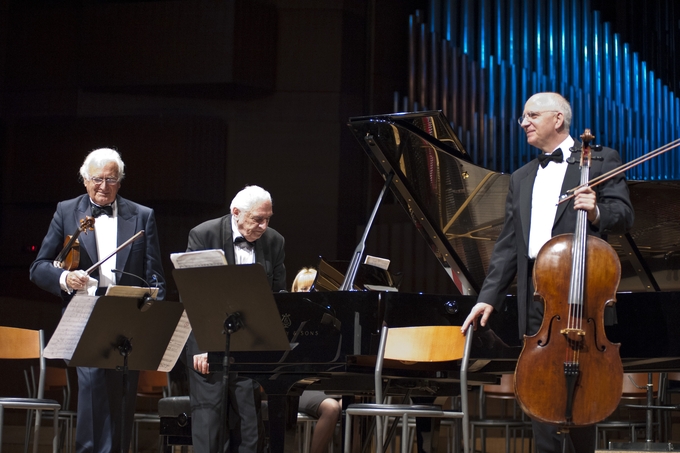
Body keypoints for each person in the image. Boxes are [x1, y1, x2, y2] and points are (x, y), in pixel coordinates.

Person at [460, 92, 634, 453]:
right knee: (541, 390)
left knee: (584, 397)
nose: (523, 122)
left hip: (583, 294)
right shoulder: (522, 177)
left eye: (531, 115)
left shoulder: (600, 160)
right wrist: (487, 297)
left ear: (557, 119)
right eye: (523, 117)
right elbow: (509, 244)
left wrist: (597, 211)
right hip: (538, 295)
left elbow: (624, 215)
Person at [29, 147, 166, 453]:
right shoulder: (67, 211)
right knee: (93, 396)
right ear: (85, 180)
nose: (104, 186)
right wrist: (65, 279)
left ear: (120, 181)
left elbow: (155, 276)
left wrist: (150, 311)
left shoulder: (142, 216)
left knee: (122, 403)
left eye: (111, 179)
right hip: (84, 315)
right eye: (97, 179)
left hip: (127, 319)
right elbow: (38, 268)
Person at [184, 185, 285, 453]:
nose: (264, 226)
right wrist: (204, 344)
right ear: (236, 212)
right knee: (210, 427)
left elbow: (277, 296)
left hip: (250, 345)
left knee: (250, 430)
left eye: (268, 219)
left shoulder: (275, 241)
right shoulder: (204, 234)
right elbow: (194, 294)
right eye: (258, 219)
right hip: (208, 344)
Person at [291, 267, 342, 453]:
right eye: (303, 289)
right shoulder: (290, 320)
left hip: (326, 385)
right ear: (295, 291)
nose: (309, 293)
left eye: (313, 288)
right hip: (299, 387)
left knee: (351, 404)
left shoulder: (330, 322)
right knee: (331, 408)